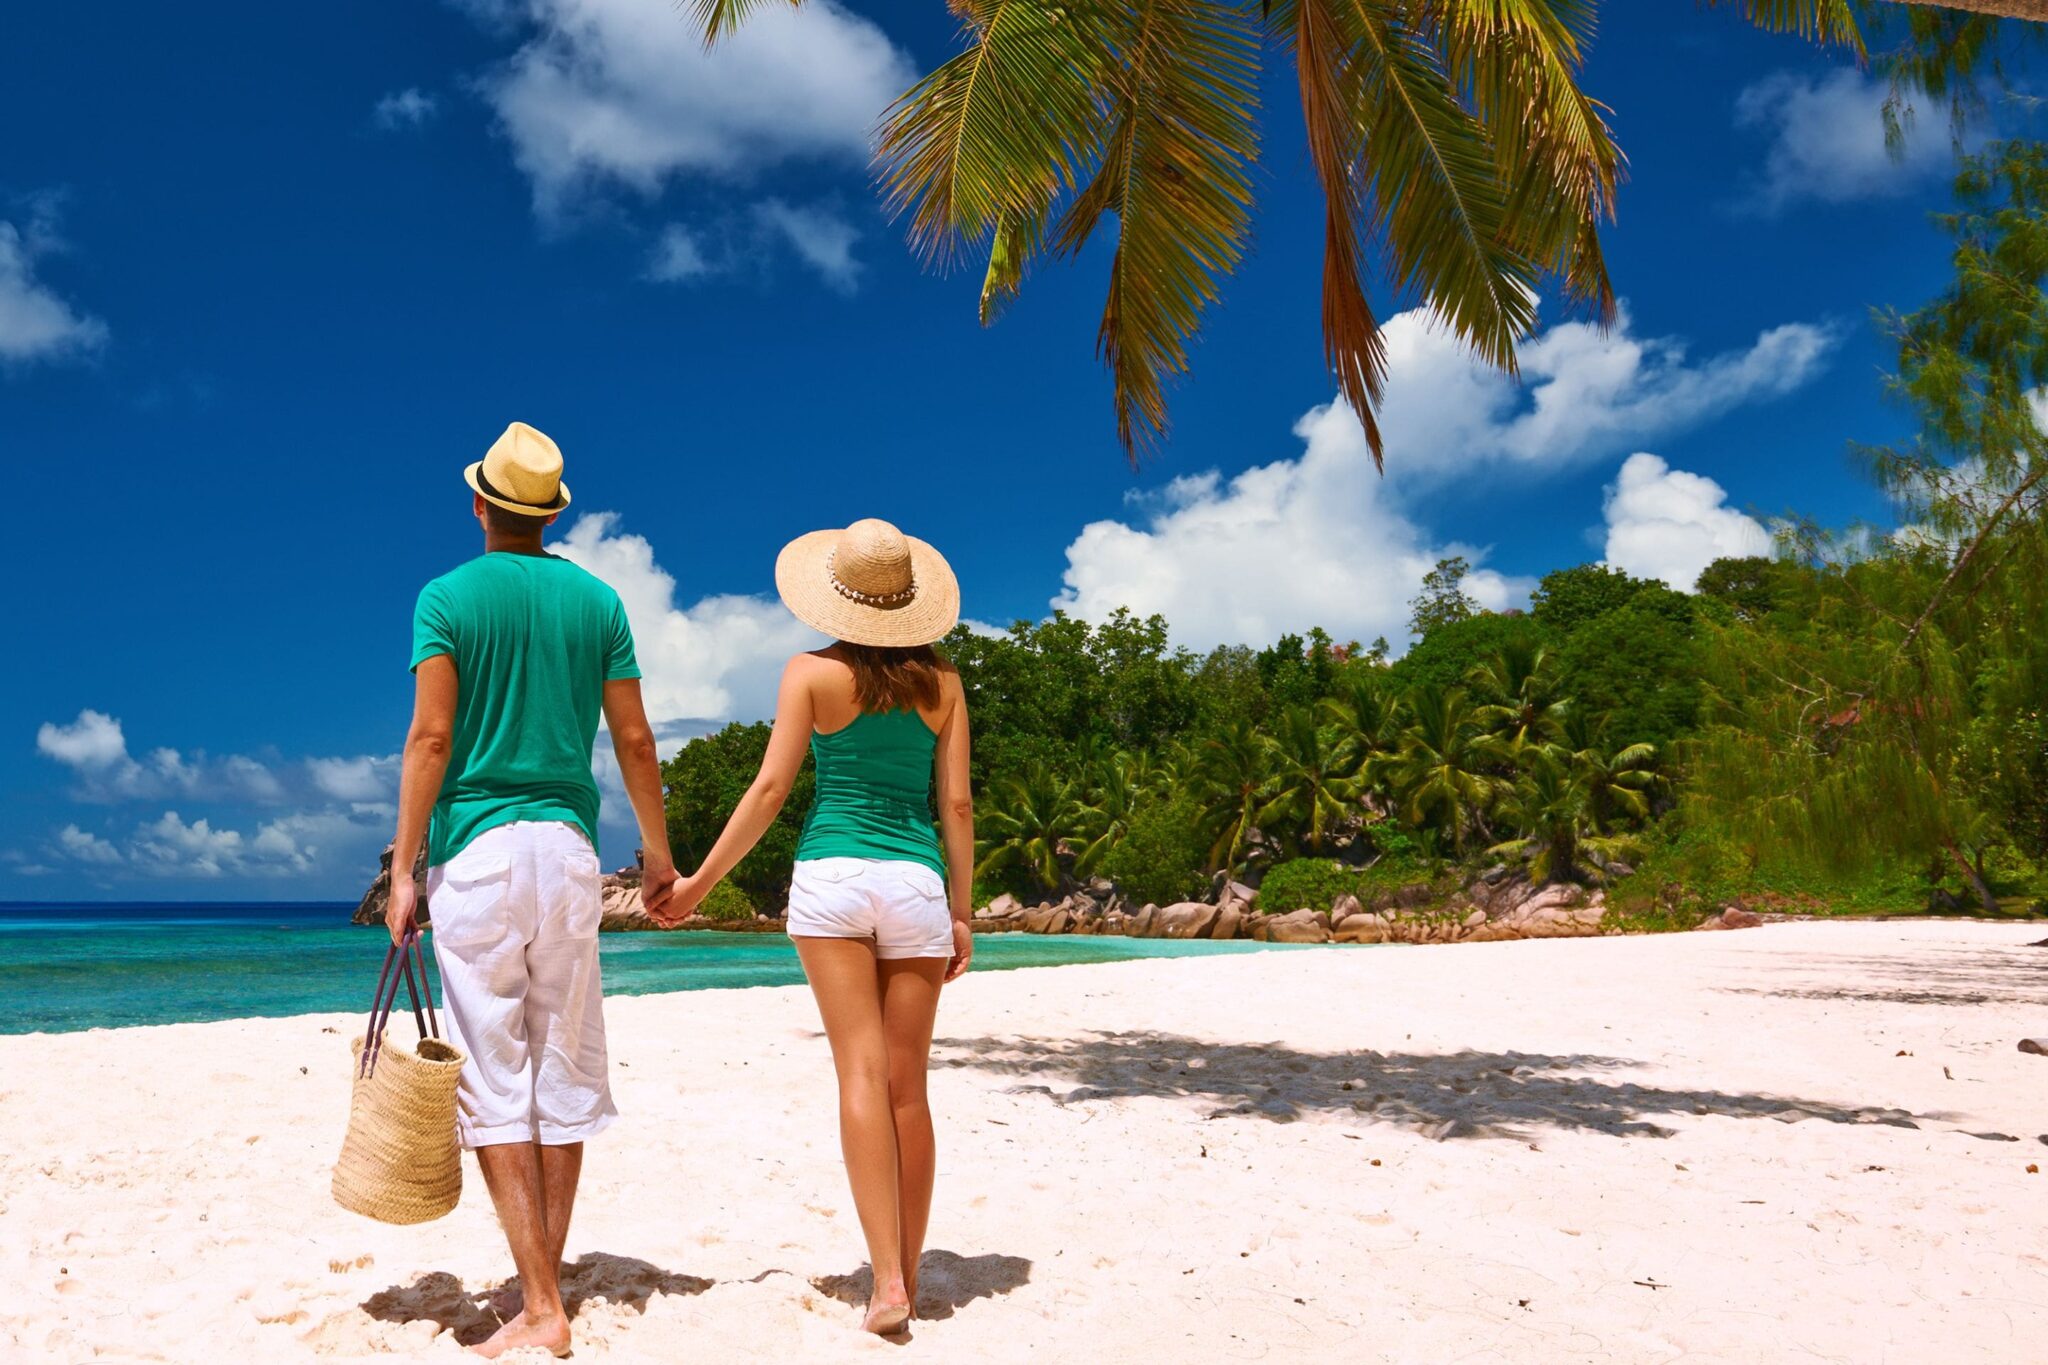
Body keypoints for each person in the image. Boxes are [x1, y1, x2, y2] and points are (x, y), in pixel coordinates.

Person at [385, 421, 678, 1360]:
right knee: (563, 1067)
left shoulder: (445, 596)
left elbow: (431, 738)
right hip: (567, 849)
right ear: (553, 512)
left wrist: (403, 867)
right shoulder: (598, 600)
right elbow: (635, 740)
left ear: (478, 504)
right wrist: (661, 856)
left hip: (476, 852)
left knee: (496, 1074)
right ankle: (542, 1285)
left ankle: (542, 1302)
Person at [647, 518, 974, 1336]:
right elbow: (958, 805)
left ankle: (886, 1280)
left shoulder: (808, 675)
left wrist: (694, 887)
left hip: (832, 877)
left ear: (837, 595)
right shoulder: (946, 685)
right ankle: (910, 1270)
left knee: (860, 1076)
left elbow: (767, 792)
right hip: (915, 882)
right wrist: (962, 911)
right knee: (909, 1086)